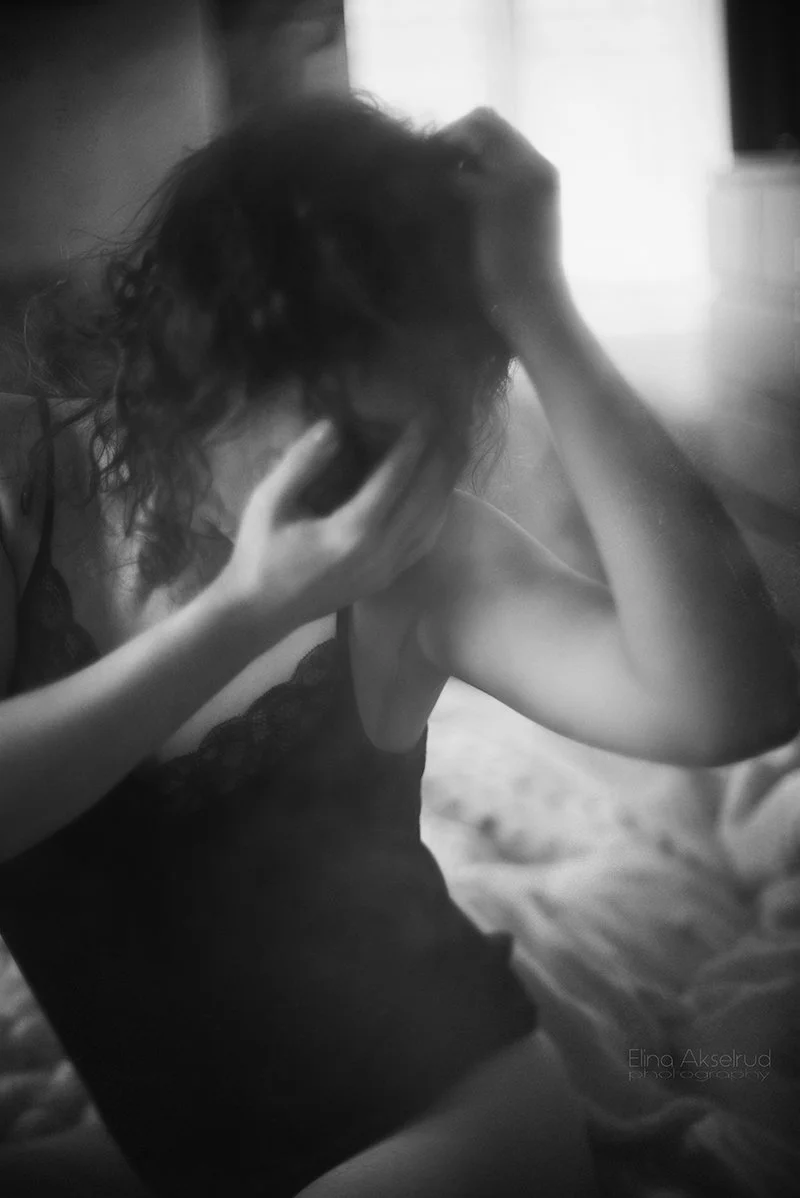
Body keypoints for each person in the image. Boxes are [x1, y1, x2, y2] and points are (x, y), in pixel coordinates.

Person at [0, 93, 796, 1198]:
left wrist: (543, 316)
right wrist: (245, 612)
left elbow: (732, 705)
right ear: (190, 362)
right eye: (338, 436)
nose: (365, 490)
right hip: (173, 1155)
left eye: (408, 435)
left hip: (444, 1119)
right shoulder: (18, 474)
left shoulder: (414, 554)